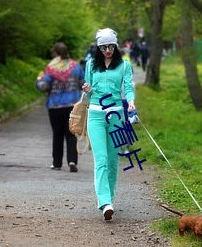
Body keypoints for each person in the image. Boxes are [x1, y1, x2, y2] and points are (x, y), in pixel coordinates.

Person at [82, 28, 135, 220]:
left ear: (116, 45)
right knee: (101, 160)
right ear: (98, 47)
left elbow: (128, 87)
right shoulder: (90, 65)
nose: (107, 50)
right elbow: (88, 94)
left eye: (111, 46)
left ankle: (109, 198)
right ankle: (104, 202)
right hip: (95, 115)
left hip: (117, 117)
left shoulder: (124, 65)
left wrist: (130, 101)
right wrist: (87, 89)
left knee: (113, 161)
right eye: (103, 47)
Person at [36, 42, 85, 172]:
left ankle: (57, 163)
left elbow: (44, 87)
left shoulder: (51, 68)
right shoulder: (76, 67)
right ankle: (72, 160)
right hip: (72, 106)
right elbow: (83, 84)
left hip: (55, 106)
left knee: (57, 135)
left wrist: (39, 80)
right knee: (70, 134)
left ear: (55, 54)